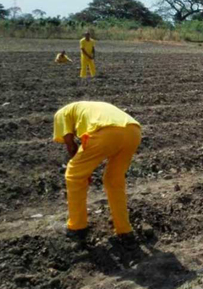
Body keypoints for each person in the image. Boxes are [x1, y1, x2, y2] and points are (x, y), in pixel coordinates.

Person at [53, 101, 142, 238]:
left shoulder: (61, 114)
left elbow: (71, 145)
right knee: (114, 180)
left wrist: (82, 172)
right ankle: (124, 230)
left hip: (106, 132)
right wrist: (86, 170)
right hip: (133, 132)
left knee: (74, 175)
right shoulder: (89, 108)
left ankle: (77, 228)